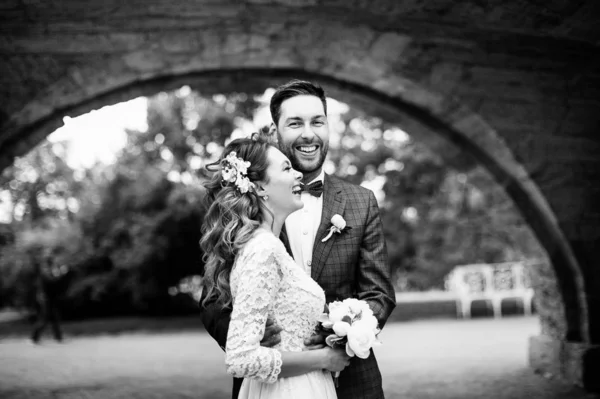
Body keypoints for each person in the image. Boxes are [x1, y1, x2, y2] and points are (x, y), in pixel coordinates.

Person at [201, 79, 396, 399]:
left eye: (317, 121)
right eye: (295, 123)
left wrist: (339, 336)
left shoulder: (362, 202)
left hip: (352, 381)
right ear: (276, 130)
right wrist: (248, 334)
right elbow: (213, 298)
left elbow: (379, 294)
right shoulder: (243, 216)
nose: (309, 133)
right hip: (271, 381)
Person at [200, 135, 351, 399]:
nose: (298, 176)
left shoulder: (265, 244)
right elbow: (241, 358)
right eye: (286, 168)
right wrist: (324, 358)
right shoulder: (263, 249)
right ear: (259, 188)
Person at [31, 253, 67, 344]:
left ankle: (58, 337)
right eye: (52, 260)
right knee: (45, 318)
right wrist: (61, 274)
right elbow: (52, 281)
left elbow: (55, 281)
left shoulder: (50, 270)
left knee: (55, 317)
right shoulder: (46, 270)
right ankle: (35, 337)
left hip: (51, 297)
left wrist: (59, 274)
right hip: (46, 298)